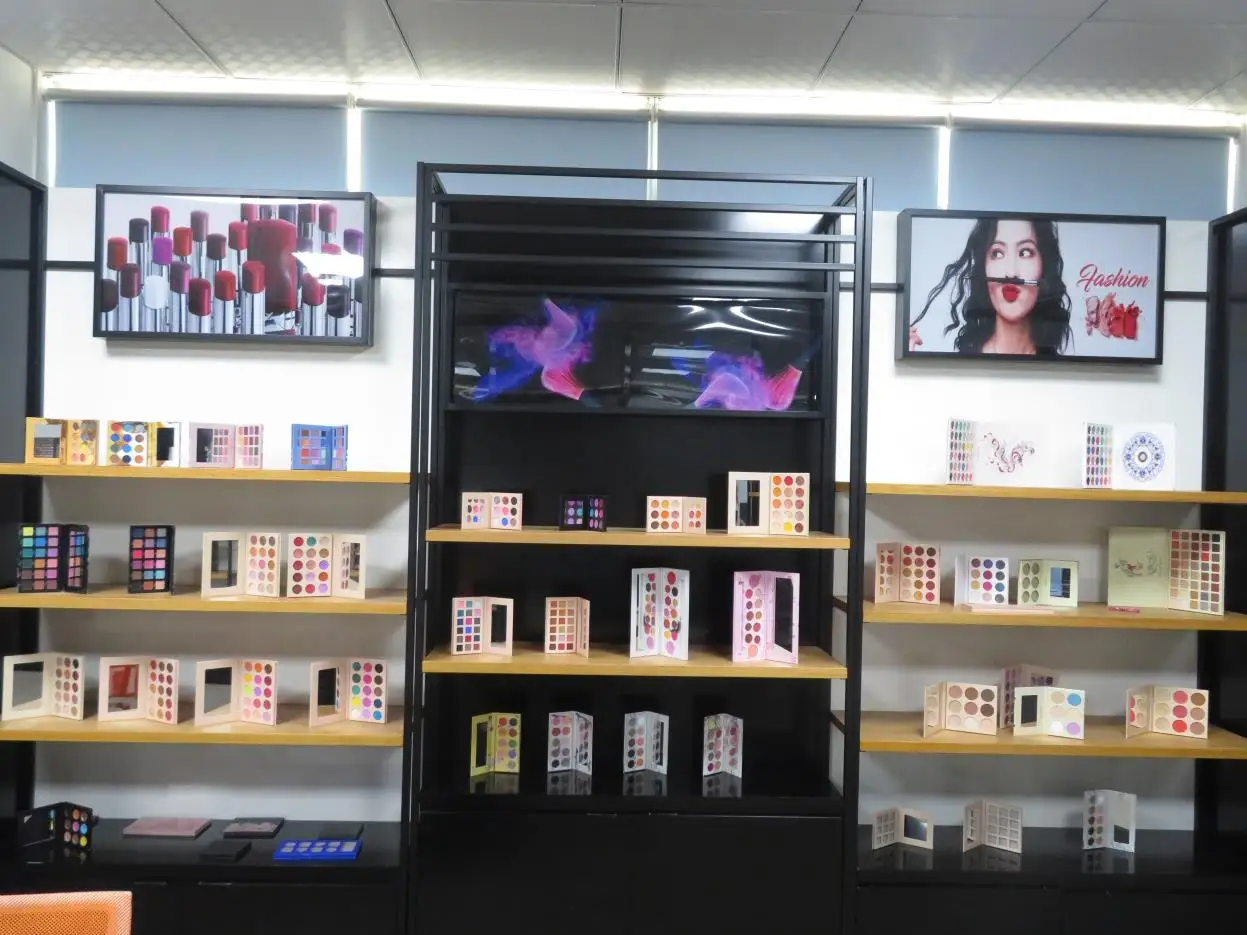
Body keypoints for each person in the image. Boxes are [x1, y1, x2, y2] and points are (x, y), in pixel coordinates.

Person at [909, 217, 1073, 356]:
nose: (1010, 273)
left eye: (1024, 252)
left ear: (1044, 265)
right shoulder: (963, 363)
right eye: (997, 253)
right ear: (983, 267)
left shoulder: (1058, 371)